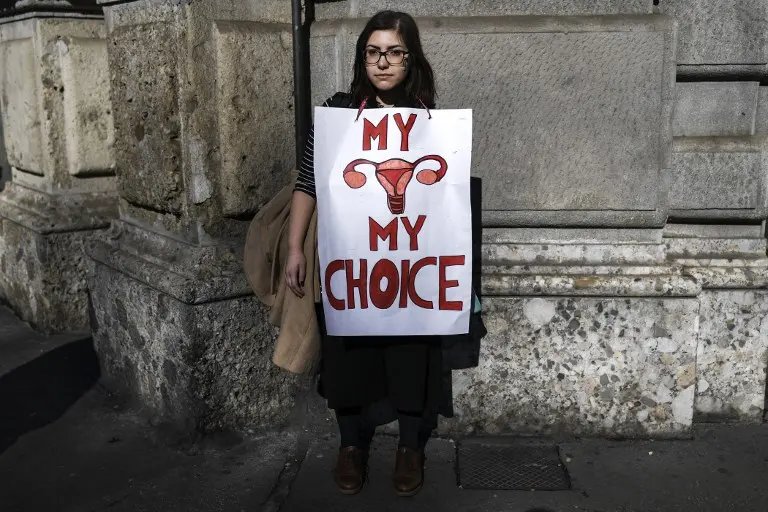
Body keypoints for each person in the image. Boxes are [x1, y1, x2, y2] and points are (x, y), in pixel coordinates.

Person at [284, 11, 445, 497]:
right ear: (362, 57)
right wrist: (295, 247)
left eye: (394, 52)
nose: (383, 62)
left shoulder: (428, 117)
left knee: (413, 347)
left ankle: (410, 446)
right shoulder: (337, 113)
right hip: (350, 258)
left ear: (411, 57)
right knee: (345, 347)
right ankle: (350, 444)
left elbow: (444, 193)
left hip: (407, 258)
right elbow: (309, 181)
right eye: (373, 52)